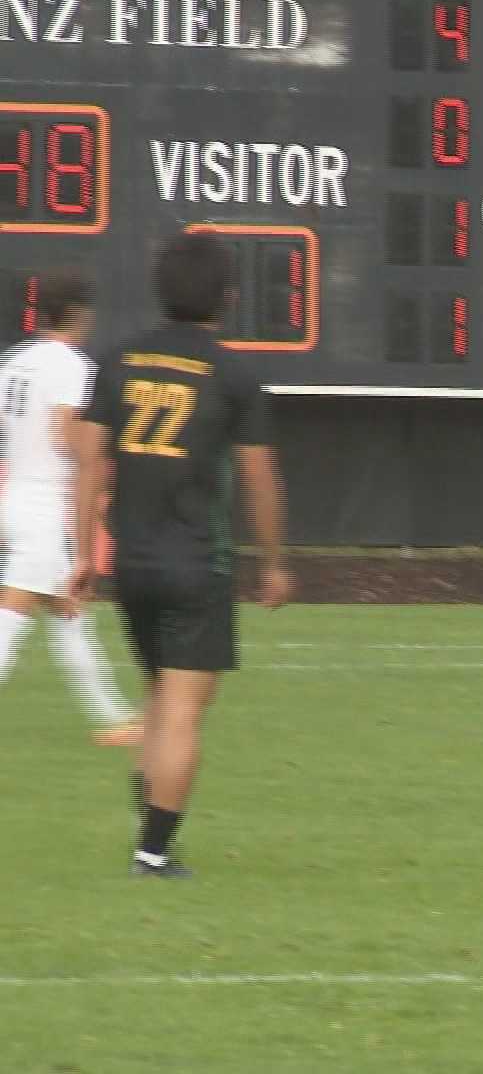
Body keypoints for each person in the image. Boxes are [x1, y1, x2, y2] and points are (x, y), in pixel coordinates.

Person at [70, 233, 295, 879]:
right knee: (181, 710)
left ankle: (151, 825)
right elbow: (259, 476)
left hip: (132, 564)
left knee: (160, 697)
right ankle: (153, 852)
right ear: (228, 297)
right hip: (197, 563)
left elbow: (89, 462)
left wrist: (84, 554)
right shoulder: (232, 374)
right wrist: (274, 562)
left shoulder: (117, 361)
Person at [0, 273, 141, 745]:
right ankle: (116, 718)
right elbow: (67, 435)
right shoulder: (71, 366)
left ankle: (115, 718)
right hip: (45, 506)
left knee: (70, 613)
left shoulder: (12, 363)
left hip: (17, 496)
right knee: (13, 615)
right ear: (80, 313)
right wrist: (106, 461)